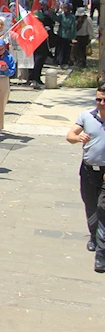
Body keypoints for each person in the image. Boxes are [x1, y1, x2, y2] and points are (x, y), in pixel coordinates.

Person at [66, 83, 105, 273]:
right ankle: (94, 235)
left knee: (102, 208)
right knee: (90, 204)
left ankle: (101, 253)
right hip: (89, 170)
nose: (102, 103)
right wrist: (77, 138)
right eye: (98, 99)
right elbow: (70, 135)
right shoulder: (87, 116)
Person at [53, 3, 75, 68]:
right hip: (61, 33)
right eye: (64, 8)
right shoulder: (62, 16)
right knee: (59, 49)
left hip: (67, 35)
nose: (64, 10)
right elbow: (56, 18)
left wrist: (72, 37)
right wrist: (53, 12)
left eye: (65, 8)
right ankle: (57, 61)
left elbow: (73, 28)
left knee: (66, 50)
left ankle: (65, 62)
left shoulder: (72, 17)